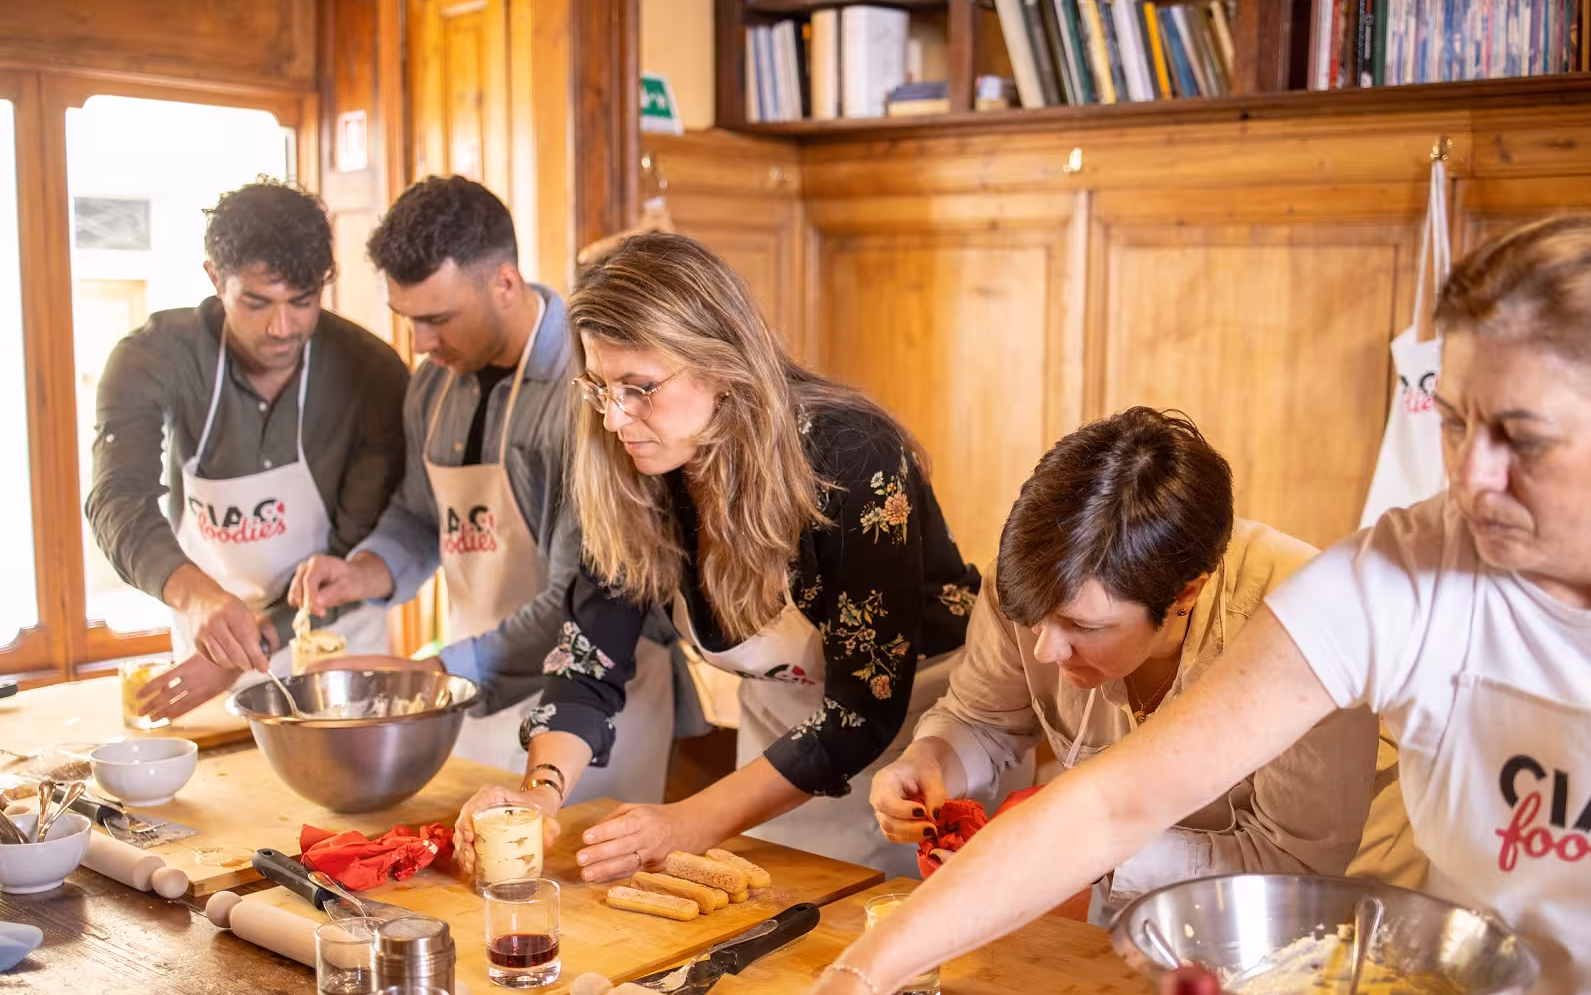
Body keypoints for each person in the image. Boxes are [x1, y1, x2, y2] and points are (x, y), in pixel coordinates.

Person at [684, 211, 1591, 995]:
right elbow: (1103, 806)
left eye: (1520, 438)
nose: (1471, 477)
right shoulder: (1396, 576)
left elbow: (1285, 856)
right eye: (1458, 422)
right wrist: (851, 984)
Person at [453, 232, 982, 881]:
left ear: (720, 364)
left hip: (923, 740)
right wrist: (539, 795)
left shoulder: (850, 458)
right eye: (600, 388)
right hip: (780, 750)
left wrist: (689, 820)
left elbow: (860, 713)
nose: (616, 419)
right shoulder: (641, 470)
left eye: (640, 387)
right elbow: (590, 659)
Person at [871, 408, 1383, 922]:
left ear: (1186, 594)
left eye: (1084, 628)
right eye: (1034, 621)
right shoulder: (1027, 590)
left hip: (1314, 923)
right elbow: (982, 718)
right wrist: (930, 764)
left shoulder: (1309, 628)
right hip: (1130, 900)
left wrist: (1089, 839)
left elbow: (1291, 868)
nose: (1047, 651)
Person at [290, 176, 676, 785]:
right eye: (408, 319)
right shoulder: (434, 384)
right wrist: (366, 569)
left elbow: (583, 597)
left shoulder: (592, 393)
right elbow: (420, 514)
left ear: (504, 283)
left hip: (593, 700)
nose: (420, 343)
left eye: (438, 319)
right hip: (470, 684)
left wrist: (427, 671)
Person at [85, 179, 409, 721]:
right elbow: (117, 501)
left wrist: (259, 642)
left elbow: (361, 552)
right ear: (215, 279)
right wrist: (199, 599)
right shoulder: (151, 358)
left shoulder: (370, 374)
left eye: (302, 302)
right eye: (257, 302)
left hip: (334, 650)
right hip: (206, 641)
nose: (282, 327)